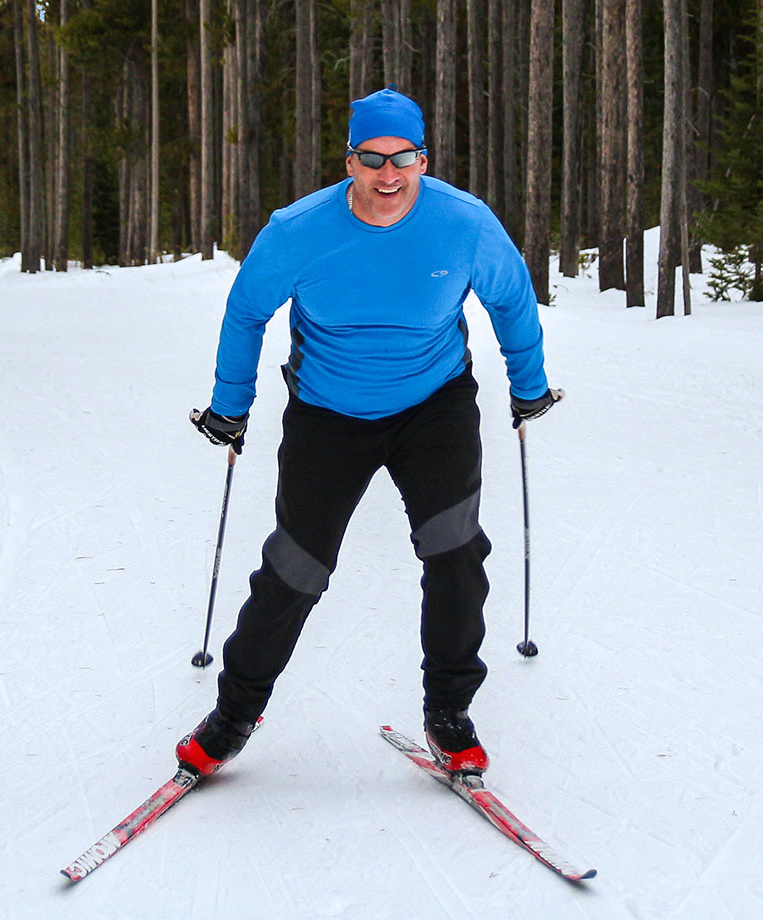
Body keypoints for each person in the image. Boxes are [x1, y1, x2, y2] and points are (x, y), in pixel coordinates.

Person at [178, 85, 563, 779]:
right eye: (372, 158)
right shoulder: (298, 231)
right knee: (295, 570)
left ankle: (449, 712)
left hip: (434, 404)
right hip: (329, 412)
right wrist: (229, 403)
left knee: (454, 554)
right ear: (349, 160)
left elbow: (511, 298)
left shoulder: (464, 223)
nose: (389, 175)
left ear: (424, 156)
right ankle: (233, 715)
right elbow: (245, 311)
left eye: (403, 158)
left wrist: (529, 386)